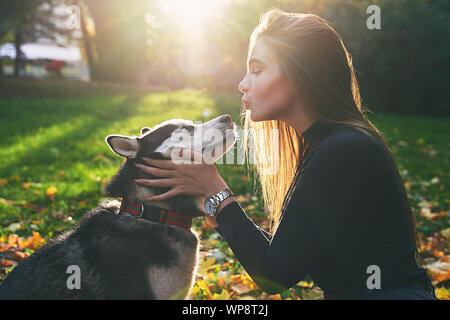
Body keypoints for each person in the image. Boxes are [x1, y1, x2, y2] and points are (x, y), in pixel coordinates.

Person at [134, 8, 438, 300]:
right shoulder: (333, 145)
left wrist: (215, 191)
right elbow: (283, 260)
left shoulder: (344, 149)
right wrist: (212, 204)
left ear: (301, 74)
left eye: (257, 70)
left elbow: (274, 274)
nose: (242, 83)